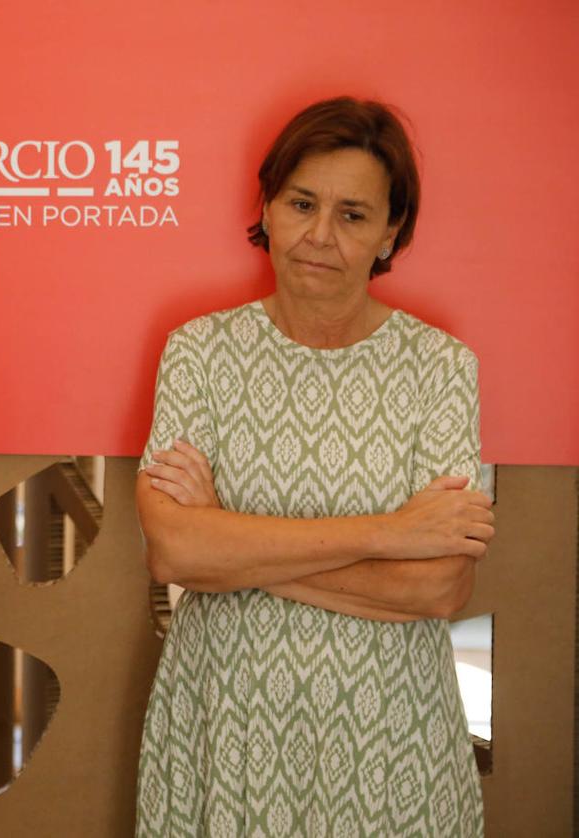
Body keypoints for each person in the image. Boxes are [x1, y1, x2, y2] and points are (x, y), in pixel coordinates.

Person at [135, 98, 493, 836]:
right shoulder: (200, 352)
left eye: (354, 215)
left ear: (391, 230)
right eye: (302, 203)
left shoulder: (439, 368)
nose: (319, 236)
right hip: (225, 728)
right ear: (267, 205)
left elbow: (438, 587)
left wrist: (228, 545)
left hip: (392, 738)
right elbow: (173, 551)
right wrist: (392, 533)